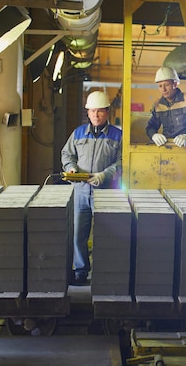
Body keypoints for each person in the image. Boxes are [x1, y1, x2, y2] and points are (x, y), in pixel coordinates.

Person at [61, 90, 122, 286]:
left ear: (107, 112)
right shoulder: (78, 133)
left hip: (105, 193)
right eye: (92, 111)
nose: (96, 115)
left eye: (100, 111)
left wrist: (105, 175)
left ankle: (104, 272)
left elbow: (122, 162)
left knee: (105, 234)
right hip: (80, 191)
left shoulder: (117, 135)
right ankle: (80, 271)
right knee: (79, 233)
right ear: (87, 113)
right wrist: (71, 168)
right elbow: (67, 154)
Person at [146, 66, 186, 147]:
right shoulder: (158, 104)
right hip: (166, 146)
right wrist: (153, 135)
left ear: (175, 84)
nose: (163, 89)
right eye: (160, 86)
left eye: (166, 85)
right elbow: (151, 126)